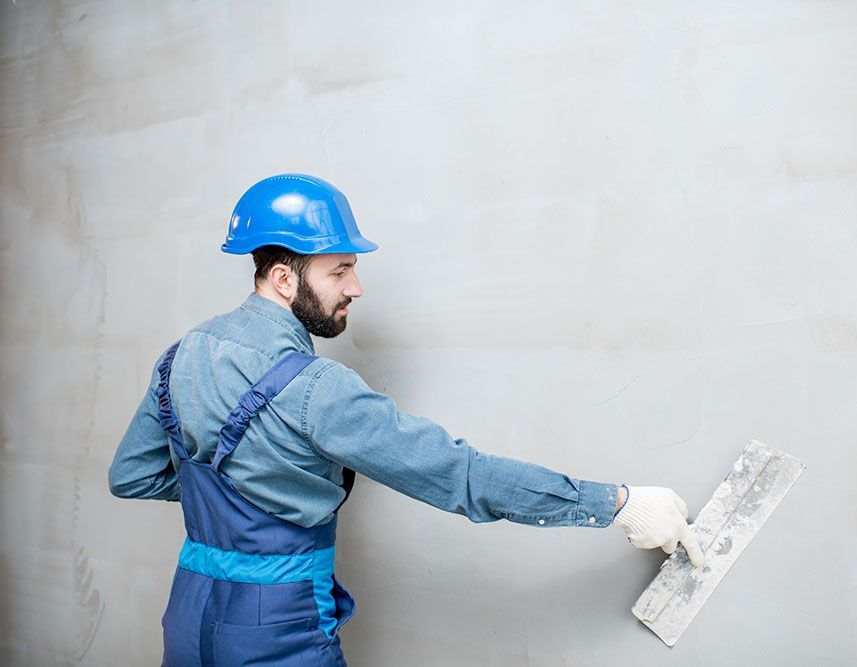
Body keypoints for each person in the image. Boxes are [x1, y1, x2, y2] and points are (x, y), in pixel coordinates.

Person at [108, 173, 704, 666]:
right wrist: (617, 503)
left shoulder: (180, 357)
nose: (356, 287)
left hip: (188, 619)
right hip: (275, 631)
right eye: (339, 271)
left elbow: (131, 476)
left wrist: (242, 486)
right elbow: (459, 475)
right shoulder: (317, 389)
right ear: (284, 278)